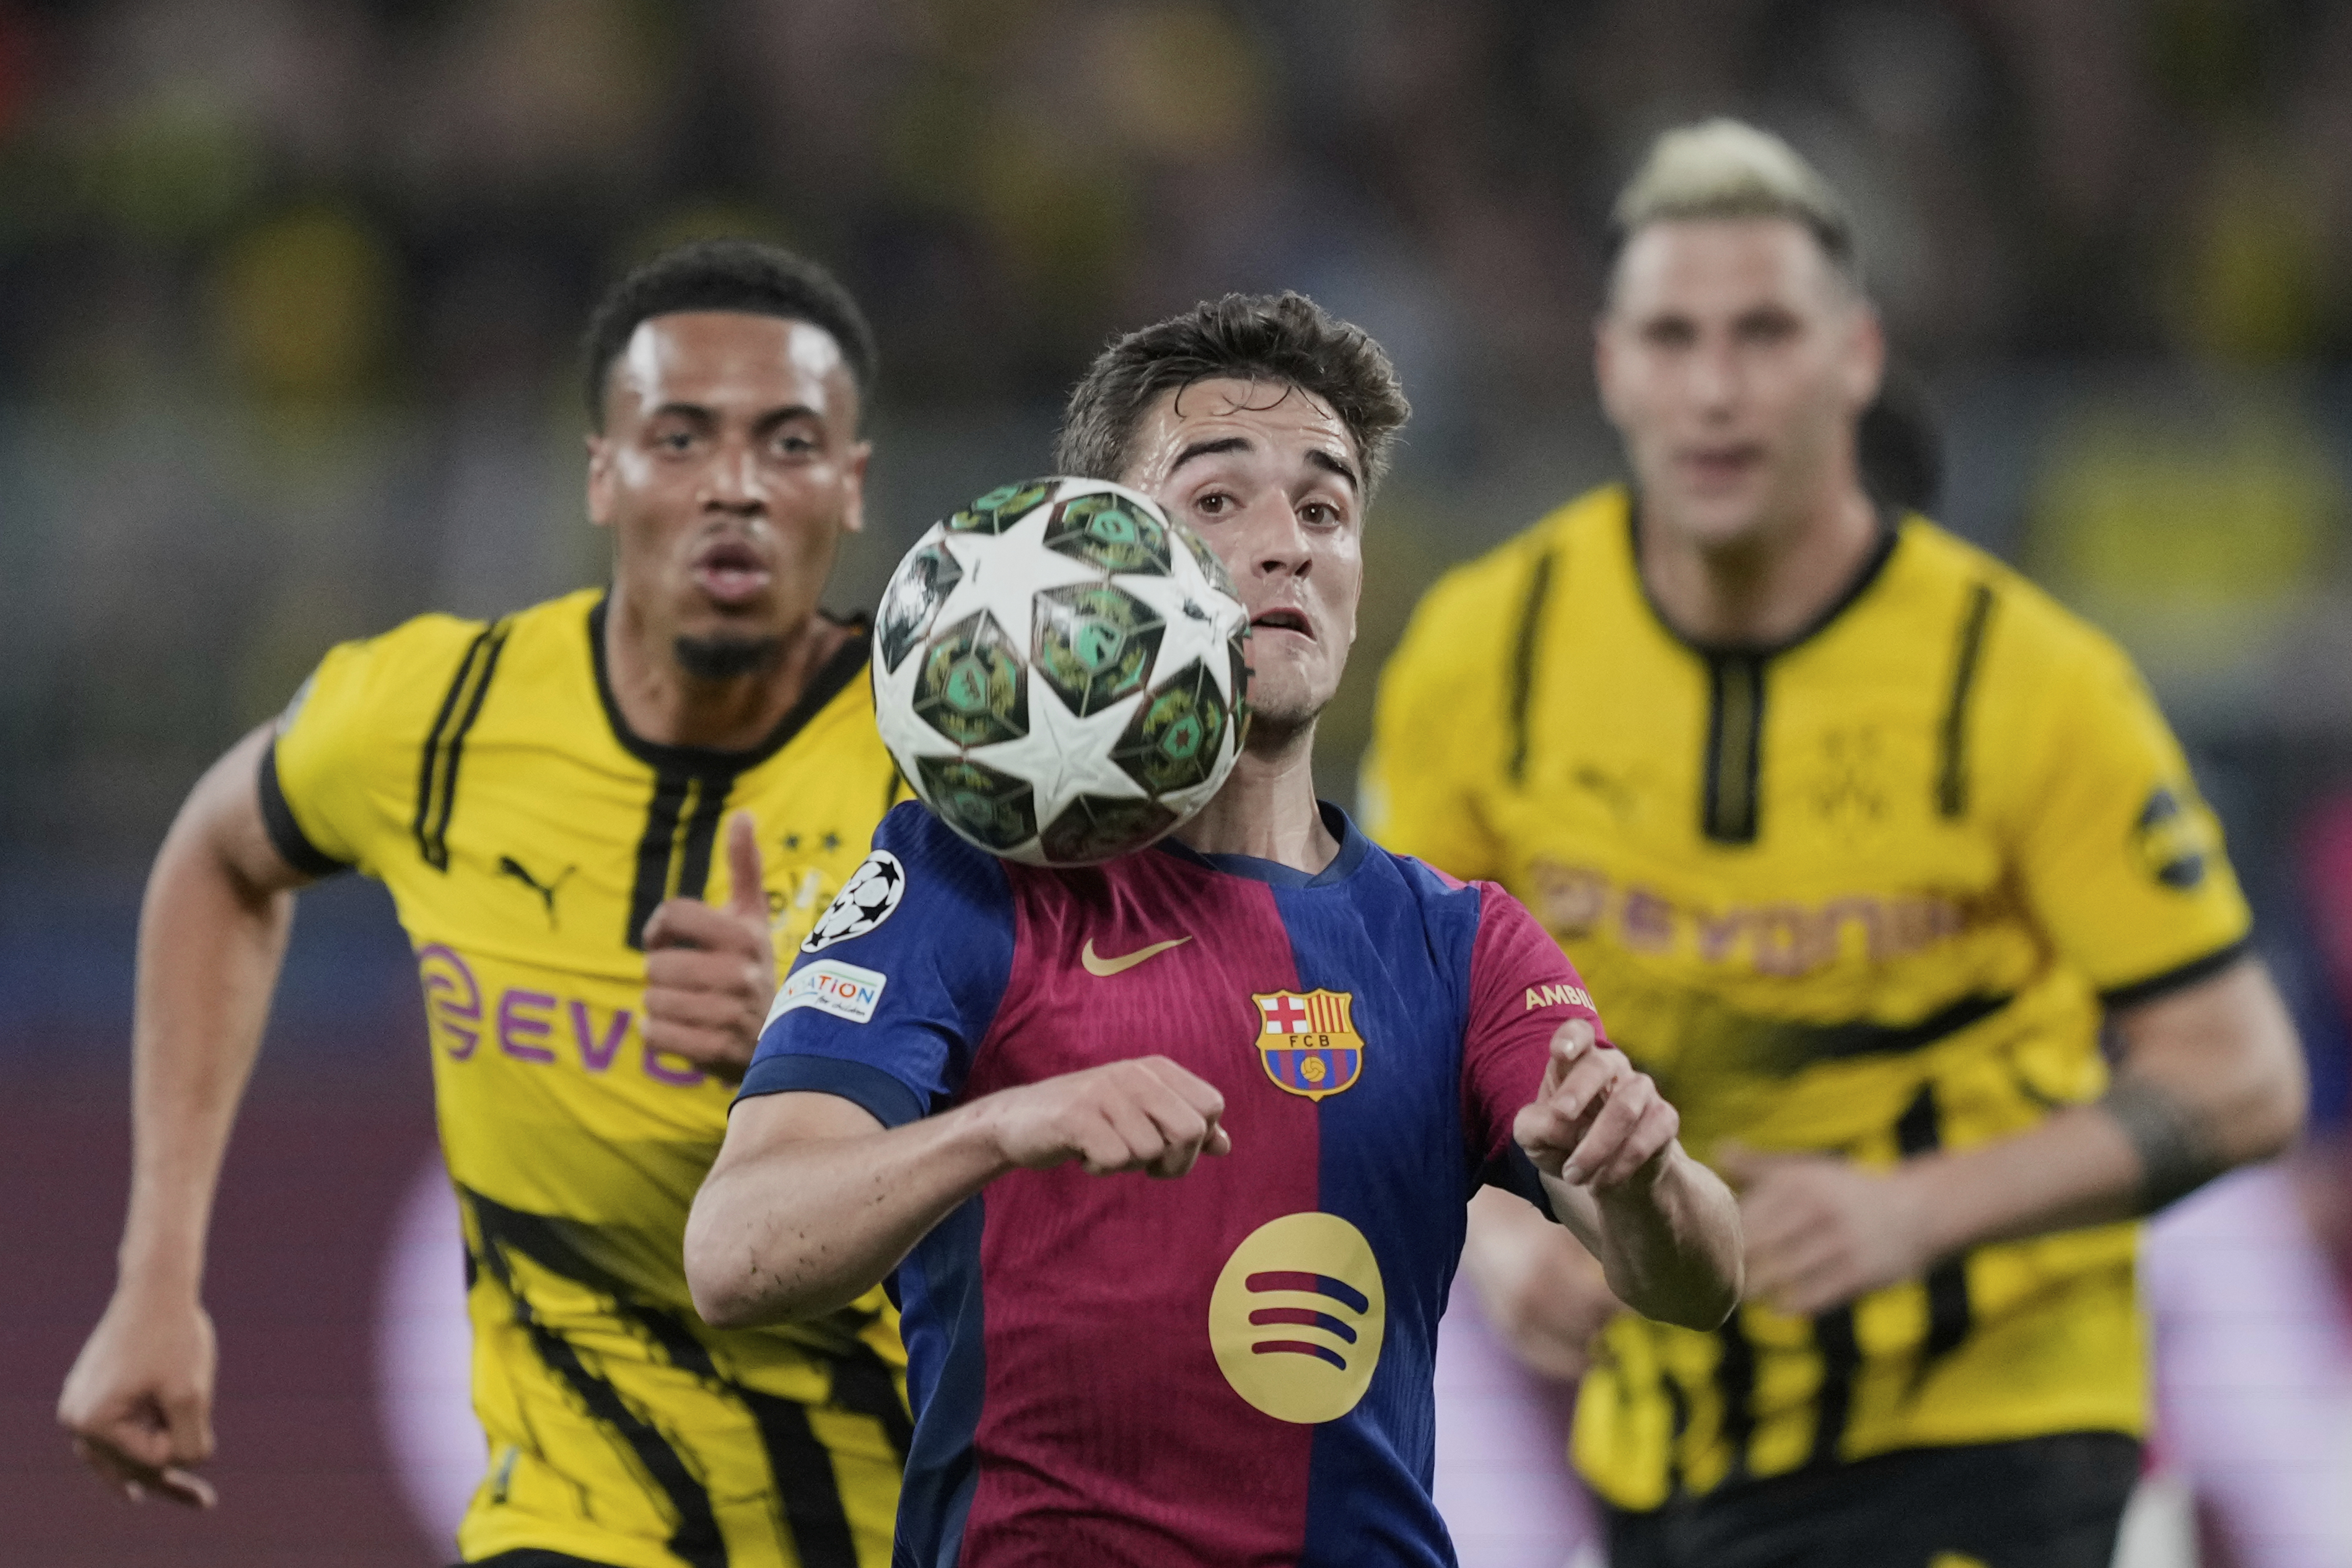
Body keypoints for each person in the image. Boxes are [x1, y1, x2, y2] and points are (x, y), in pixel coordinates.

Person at [1365, 119, 2310, 1568]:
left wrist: (1919, 1212)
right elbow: (1399, 1024)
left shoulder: (2026, 683)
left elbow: (2243, 1076)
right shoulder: (1484, 657)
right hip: (1661, 1428)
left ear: (1856, 357)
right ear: (1611, 364)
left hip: (1986, 1417)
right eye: (1674, 339)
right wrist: (1499, 1245)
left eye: (1766, 334)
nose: (1719, 388)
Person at [683, 292, 1744, 1566]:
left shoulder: (1459, 941)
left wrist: (1639, 1174)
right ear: (1104, 553)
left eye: (1325, 507)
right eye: (1219, 502)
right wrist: (999, 1127)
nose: (1287, 546)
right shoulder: (965, 880)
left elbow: (1699, 1279)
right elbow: (737, 1253)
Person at [58, 239, 912, 1568]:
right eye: (678, 439)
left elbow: (1104, 1110)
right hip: (580, 1521)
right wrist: (156, 1277)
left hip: (924, 1515)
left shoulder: (947, 770)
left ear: (851, 488)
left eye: (789, 444)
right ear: (601, 471)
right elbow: (218, 858)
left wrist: (821, 1057)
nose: (733, 488)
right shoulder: (438, 718)